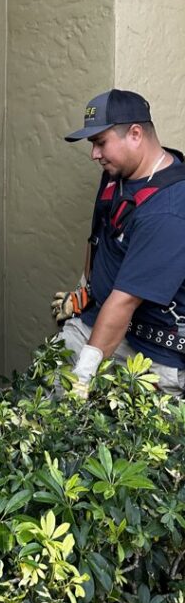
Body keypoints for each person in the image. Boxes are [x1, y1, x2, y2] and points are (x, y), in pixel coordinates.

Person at [53, 89, 185, 398]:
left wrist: (84, 374)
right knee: (48, 388)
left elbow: (125, 301)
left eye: (101, 142)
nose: (94, 154)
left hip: (151, 353)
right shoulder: (119, 173)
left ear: (135, 134)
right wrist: (84, 289)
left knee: (111, 433)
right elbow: (99, 236)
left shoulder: (168, 210)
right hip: (102, 319)